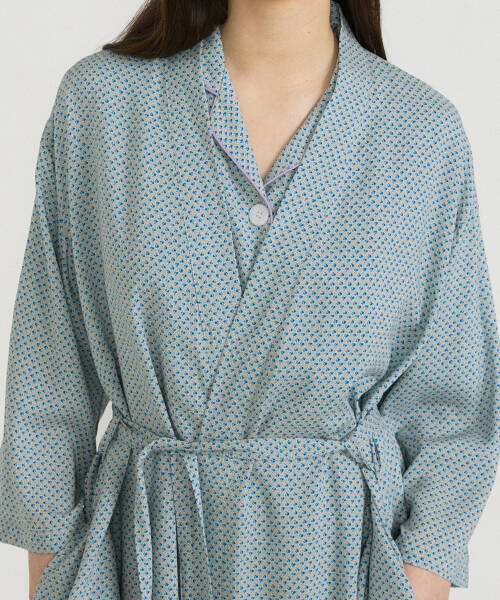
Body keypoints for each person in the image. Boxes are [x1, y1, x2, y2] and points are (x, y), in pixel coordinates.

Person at [0, 1, 499, 599]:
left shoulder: (422, 133)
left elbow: (453, 413)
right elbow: (48, 383)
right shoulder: (103, 106)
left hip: (344, 568)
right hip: (146, 563)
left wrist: (419, 579)